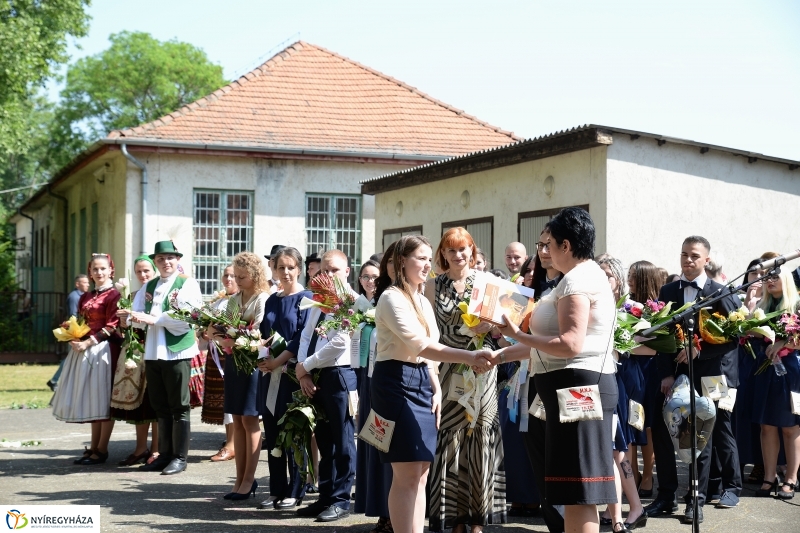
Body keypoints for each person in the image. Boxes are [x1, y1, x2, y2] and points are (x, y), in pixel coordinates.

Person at [491, 207, 618, 533]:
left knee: (579, 491)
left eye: (549, 244)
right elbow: (547, 344)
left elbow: (570, 344)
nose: (544, 252)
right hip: (570, 386)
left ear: (566, 245)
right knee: (572, 491)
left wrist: (518, 334)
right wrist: (502, 354)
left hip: (578, 386)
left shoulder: (577, 279)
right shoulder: (575, 277)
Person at [372, 235, 491, 533]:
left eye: (429, 258)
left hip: (422, 383)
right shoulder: (391, 297)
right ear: (402, 261)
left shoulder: (422, 299)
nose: (428, 264)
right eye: (421, 258)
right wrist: (470, 355)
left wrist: (435, 385)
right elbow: (421, 345)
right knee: (406, 473)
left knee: (422, 472)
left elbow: (429, 355)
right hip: (396, 383)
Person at [644, 236, 742, 524]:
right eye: (684, 254)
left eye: (694, 256)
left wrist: (700, 351)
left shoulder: (718, 292)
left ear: (706, 260)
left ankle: (695, 500)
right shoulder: (668, 289)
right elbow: (660, 334)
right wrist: (665, 373)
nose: (688, 260)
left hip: (706, 374)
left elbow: (734, 337)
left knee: (701, 437)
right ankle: (665, 496)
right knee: (663, 434)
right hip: (672, 374)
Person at [426, 228, 506, 533]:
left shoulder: (487, 283)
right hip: (448, 371)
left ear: (472, 252)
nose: (458, 256)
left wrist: (493, 326)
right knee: (451, 442)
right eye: (451, 250)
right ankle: (454, 517)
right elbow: (429, 333)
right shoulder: (432, 286)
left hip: (482, 370)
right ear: (443, 254)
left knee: (480, 441)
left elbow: (499, 333)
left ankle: (478, 520)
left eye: (464, 249)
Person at [293, 250, 359, 522]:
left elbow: (341, 342)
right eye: (323, 271)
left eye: (334, 270)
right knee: (324, 440)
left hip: (340, 375)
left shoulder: (353, 302)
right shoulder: (316, 300)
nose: (328, 276)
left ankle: (342, 500)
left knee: (343, 442)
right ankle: (326, 496)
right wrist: (303, 373)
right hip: (315, 375)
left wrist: (306, 366)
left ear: (346, 271)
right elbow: (306, 335)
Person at [130, 240, 202, 475]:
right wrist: (128, 317)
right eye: (161, 259)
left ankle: (180, 457)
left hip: (176, 351)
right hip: (153, 351)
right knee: (160, 405)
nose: (166, 262)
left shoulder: (187, 283)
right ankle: (165, 454)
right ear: (156, 262)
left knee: (179, 406)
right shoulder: (149, 285)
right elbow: (138, 312)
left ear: (177, 259)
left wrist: (156, 319)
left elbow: (190, 315)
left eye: (170, 258)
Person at [51, 253, 121, 465]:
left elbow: (112, 325)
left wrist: (88, 342)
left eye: (103, 269)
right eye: (95, 269)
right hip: (84, 349)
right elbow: (82, 320)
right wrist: (71, 330)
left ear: (111, 270)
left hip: (104, 350)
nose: (99, 273)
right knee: (93, 399)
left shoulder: (114, 295)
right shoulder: (86, 296)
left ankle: (102, 449)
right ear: (90, 272)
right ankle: (94, 447)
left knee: (103, 399)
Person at [256, 247, 312, 510]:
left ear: (299, 269)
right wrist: (260, 356)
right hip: (270, 375)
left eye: (291, 267)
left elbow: (302, 336)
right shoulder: (271, 300)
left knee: (294, 434)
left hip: (291, 374)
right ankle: (276, 489)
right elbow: (263, 332)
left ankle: (296, 489)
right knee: (273, 432)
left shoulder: (307, 298)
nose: (286, 272)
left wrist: (278, 361)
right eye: (281, 267)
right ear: (274, 270)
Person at [595, 254, 646, 532]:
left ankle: (635, 506)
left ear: (618, 280)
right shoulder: (594, 304)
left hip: (622, 380)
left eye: (608, 275)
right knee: (612, 449)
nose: (603, 280)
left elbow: (656, 346)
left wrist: (625, 342)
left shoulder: (631, 308)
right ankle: (613, 507)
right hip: (603, 378)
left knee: (618, 447)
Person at [213, 252, 269, 500]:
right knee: (236, 420)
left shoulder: (262, 298)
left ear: (255, 275)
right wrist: (218, 334)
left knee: (249, 421)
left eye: (242, 276)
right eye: (235, 276)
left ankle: (248, 480)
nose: (236, 280)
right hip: (235, 363)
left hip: (253, 365)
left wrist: (230, 335)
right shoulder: (235, 299)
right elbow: (221, 327)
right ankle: (238, 480)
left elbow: (258, 331)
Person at [356, 244, 396, 533]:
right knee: (375, 444)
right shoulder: (371, 302)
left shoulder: (413, 297)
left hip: (394, 379)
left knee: (394, 448)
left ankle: (397, 514)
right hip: (370, 378)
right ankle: (382, 510)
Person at [497, 253, 540, 518]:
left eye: (537, 270)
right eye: (528, 270)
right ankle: (517, 496)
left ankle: (535, 497)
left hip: (538, 372)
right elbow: (501, 338)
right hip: (514, 373)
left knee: (533, 437)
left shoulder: (550, 299)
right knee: (512, 436)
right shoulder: (516, 300)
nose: (532, 274)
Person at [751, 269, 800, 500]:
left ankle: (791, 477)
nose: (769, 281)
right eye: (767, 278)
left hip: (790, 369)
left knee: (790, 427)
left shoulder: (797, 304)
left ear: (786, 280)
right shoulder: (763, 305)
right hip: (765, 368)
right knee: (766, 425)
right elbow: (749, 334)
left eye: (775, 277)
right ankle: (769, 477)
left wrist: (783, 342)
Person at [112, 255, 159, 466]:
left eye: (146, 271)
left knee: (156, 403)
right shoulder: (130, 296)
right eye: (139, 271)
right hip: (135, 354)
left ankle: (157, 449)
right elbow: (124, 330)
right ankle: (141, 448)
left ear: (154, 271)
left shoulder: (159, 295)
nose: (142, 275)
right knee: (139, 405)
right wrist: (123, 322)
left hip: (156, 351)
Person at [625, 260, 663, 498]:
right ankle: (634, 474)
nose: (629, 279)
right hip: (627, 369)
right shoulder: (624, 305)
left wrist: (629, 343)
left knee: (647, 426)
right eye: (628, 275)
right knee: (631, 422)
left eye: (633, 276)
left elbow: (656, 345)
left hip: (649, 370)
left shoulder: (657, 308)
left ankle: (648, 475)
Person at [203, 265, 239, 462]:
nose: (229, 279)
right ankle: (229, 441)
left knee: (232, 400)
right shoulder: (218, 300)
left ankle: (233, 445)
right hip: (215, 353)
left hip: (229, 353)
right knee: (224, 401)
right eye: (226, 275)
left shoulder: (239, 300)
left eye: (234, 276)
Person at [48, 275, 90, 390]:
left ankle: (56, 380)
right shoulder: (74, 297)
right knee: (71, 357)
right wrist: (76, 333)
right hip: (75, 331)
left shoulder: (82, 296)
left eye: (88, 282)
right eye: (85, 282)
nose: (88, 284)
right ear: (77, 284)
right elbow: (73, 316)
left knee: (72, 357)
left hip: (78, 330)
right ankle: (55, 380)